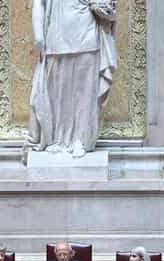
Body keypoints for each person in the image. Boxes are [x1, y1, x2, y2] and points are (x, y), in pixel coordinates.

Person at [27, 0, 116, 158]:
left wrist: (104, 7)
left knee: (85, 94)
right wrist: (39, 35)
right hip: (55, 37)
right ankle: (56, 140)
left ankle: (80, 140)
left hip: (86, 36)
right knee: (57, 94)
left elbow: (108, 7)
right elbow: (39, 3)